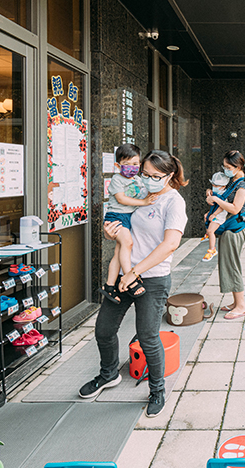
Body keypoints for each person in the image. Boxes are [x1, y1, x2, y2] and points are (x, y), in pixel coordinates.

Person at [80, 149, 188, 418]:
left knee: (148, 336)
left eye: (155, 176)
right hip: (124, 275)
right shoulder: (139, 192)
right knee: (104, 329)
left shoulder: (173, 203)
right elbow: (123, 227)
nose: (148, 179)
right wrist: (110, 233)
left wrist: (135, 272)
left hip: (151, 278)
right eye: (145, 174)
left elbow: (170, 244)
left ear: (170, 175)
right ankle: (108, 374)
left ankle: (157, 389)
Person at [100, 143, 157, 303]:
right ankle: (130, 278)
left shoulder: (138, 180)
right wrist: (145, 202)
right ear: (118, 165)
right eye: (126, 164)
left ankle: (109, 286)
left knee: (118, 252)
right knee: (128, 244)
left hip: (128, 217)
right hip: (116, 216)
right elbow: (121, 199)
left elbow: (145, 192)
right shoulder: (117, 179)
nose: (132, 167)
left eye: (135, 164)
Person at [207, 150, 245, 320]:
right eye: (224, 166)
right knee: (227, 264)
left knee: (232, 266)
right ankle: (235, 302)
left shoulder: (243, 184)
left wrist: (216, 200)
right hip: (228, 228)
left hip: (235, 229)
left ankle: (241, 306)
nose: (225, 169)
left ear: (238, 166)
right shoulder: (233, 181)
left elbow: (235, 208)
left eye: (228, 167)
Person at [202, 172, 230, 261]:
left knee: (211, 230)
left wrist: (214, 214)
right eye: (213, 184)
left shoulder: (225, 195)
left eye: (216, 185)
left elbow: (222, 207)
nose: (214, 186)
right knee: (206, 216)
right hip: (213, 211)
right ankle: (208, 235)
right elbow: (209, 191)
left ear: (223, 186)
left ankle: (212, 250)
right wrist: (208, 192)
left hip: (219, 215)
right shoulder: (216, 191)